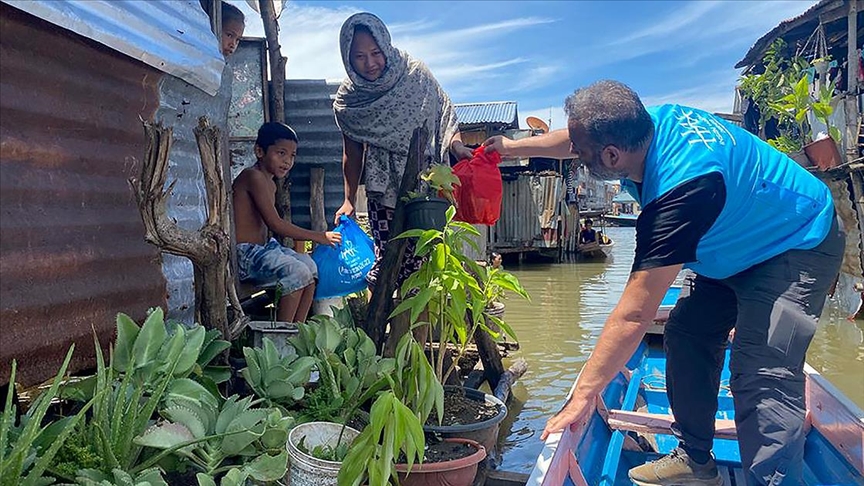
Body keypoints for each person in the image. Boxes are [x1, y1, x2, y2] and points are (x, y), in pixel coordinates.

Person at [484, 80, 844, 486]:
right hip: (733, 240)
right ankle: (695, 459)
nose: (577, 159)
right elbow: (574, 139)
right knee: (688, 332)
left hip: (795, 239)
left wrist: (583, 395)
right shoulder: (642, 123)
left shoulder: (678, 192)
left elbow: (635, 314)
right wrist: (509, 148)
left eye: (583, 157)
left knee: (760, 370)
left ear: (612, 156)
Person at [332, 12, 474, 291]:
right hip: (382, 187)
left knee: (425, 262)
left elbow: (443, 112)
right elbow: (352, 153)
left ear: (386, 46)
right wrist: (348, 199)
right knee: (388, 258)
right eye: (359, 56)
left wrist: (456, 145)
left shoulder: (415, 74)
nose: (370, 63)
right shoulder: (350, 100)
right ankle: (378, 326)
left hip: (425, 185)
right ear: (348, 58)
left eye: (375, 53)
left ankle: (411, 331)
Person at [233, 122, 342, 323]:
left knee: (310, 266)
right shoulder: (252, 177)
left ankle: (296, 332)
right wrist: (319, 236)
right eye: (281, 153)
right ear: (259, 151)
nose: (287, 161)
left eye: (292, 155)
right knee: (297, 272)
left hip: (263, 250)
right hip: (244, 254)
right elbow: (275, 224)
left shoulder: (270, 183)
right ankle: (281, 336)